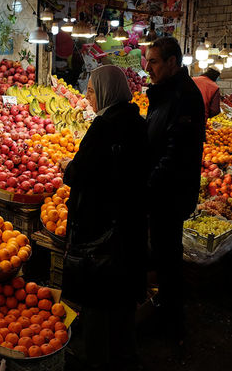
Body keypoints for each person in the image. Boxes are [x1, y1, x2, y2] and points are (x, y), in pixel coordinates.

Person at [61, 65, 148, 371]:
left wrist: (66, 168)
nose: (88, 97)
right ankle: (125, 356)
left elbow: (81, 172)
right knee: (122, 301)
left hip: (102, 229)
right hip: (130, 226)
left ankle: (97, 361)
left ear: (106, 92)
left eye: (92, 91)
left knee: (98, 301)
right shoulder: (137, 122)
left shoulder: (103, 126)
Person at [144, 37, 206, 340]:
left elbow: (174, 152)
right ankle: (166, 310)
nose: (148, 67)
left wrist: (148, 185)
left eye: (153, 61)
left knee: (168, 254)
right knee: (164, 250)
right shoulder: (168, 92)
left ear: (171, 62)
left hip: (170, 192)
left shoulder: (184, 96)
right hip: (163, 189)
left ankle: (170, 321)